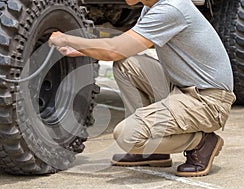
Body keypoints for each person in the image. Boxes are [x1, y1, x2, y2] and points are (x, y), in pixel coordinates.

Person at [49, 0, 236, 177]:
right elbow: (126, 47)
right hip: (182, 87)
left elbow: (114, 49)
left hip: (208, 101)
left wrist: (67, 39)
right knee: (126, 64)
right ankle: (152, 153)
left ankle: (202, 143)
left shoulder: (172, 8)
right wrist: (80, 49)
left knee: (127, 136)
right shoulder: (151, 7)